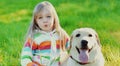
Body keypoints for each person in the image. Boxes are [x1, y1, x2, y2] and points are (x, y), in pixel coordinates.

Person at [21, 1, 70, 66]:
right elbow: (25, 56)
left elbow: (72, 47)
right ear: (36, 21)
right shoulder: (34, 37)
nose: (45, 20)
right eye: (40, 17)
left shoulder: (60, 33)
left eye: (48, 16)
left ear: (54, 18)